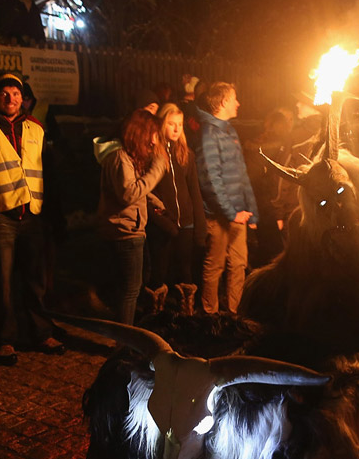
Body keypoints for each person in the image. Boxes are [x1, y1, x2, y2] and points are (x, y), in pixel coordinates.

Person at [0, 71, 64, 366]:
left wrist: (50, 211)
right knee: (1, 283)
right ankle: (4, 340)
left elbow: (47, 171)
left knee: (35, 280)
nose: (11, 98)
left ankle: (41, 333)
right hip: (1, 217)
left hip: (32, 215)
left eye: (16, 93)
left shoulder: (35, 128)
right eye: (4, 93)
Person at [95, 109, 168, 325]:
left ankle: (125, 328)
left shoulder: (125, 156)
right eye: (152, 134)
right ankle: (124, 337)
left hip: (128, 228)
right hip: (124, 231)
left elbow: (128, 186)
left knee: (133, 285)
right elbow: (128, 193)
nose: (154, 141)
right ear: (141, 133)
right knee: (130, 290)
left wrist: (151, 200)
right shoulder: (120, 157)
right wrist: (157, 169)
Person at [195, 82, 258, 314]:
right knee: (215, 266)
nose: (238, 103)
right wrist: (231, 213)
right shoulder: (208, 134)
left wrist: (251, 210)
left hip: (239, 214)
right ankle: (210, 317)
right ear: (223, 102)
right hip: (219, 216)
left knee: (238, 264)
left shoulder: (230, 131)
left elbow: (242, 173)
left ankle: (234, 314)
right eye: (234, 98)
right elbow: (211, 180)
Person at [150, 102, 206, 315]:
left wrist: (200, 228)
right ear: (161, 124)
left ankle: (186, 315)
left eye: (180, 124)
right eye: (171, 124)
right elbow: (149, 193)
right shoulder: (152, 154)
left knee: (185, 271)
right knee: (160, 271)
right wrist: (162, 220)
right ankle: (156, 316)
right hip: (164, 222)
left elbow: (195, 192)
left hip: (187, 222)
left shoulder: (186, 154)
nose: (176, 128)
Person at [244, 107, 294, 267]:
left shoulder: (256, 145)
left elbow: (250, 177)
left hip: (257, 202)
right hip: (270, 204)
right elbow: (278, 181)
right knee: (275, 251)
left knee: (265, 248)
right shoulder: (282, 149)